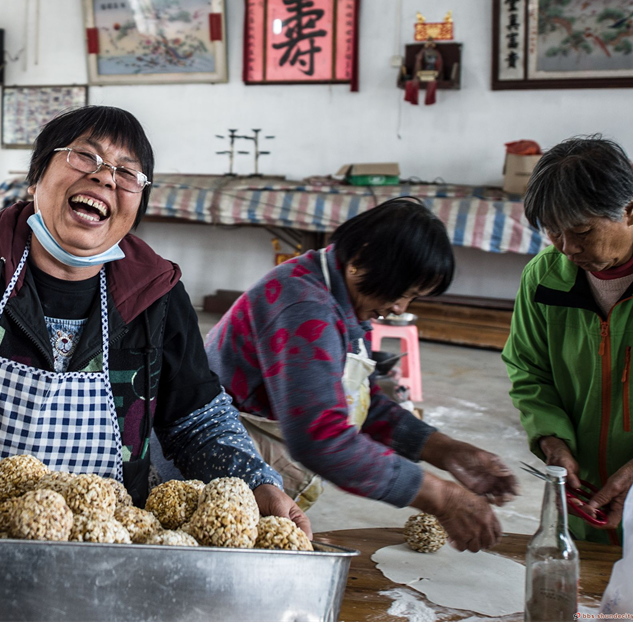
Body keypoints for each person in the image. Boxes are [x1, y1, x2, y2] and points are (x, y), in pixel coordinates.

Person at [0, 106, 309, 565]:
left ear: (137, 203)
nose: (105, 177)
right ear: (37, 173)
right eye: (86, 156)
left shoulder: (155, 297)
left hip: (100, 567)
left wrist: (257, 482)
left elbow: (199, 417)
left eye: (127, 173)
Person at [205, 198, 519, 552]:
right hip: (214, 460)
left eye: (413, 297)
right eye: (401, 293)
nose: (400, 308)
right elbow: (320, 437)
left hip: (254, 463)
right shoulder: (305, 306)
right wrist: (439, 497)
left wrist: (445, 451)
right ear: (361, 258)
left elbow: (361, 402)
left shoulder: (345, 297)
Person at [503, 136, 633, 545]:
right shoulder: (543, 278)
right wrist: (553, 441)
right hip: (583, 498)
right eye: (554, 234)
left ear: (629, 210)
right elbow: (528, 370)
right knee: (586, 597)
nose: (568, 248)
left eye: (582, 231)